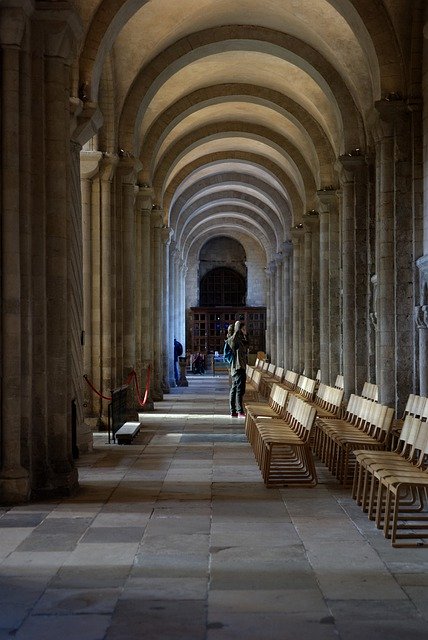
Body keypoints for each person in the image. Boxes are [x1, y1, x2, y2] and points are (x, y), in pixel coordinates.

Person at [227, 319, 249, 417]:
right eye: (242, 328)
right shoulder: (232, 339)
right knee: (239, 389)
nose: (244, 330)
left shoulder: (240, 339)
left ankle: (234, 411)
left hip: (240, 366)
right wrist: (237, 328)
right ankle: (239, 411)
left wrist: (245, 334)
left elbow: (247, 344)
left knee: (237, 388)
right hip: (237, 367)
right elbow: (234, 342)